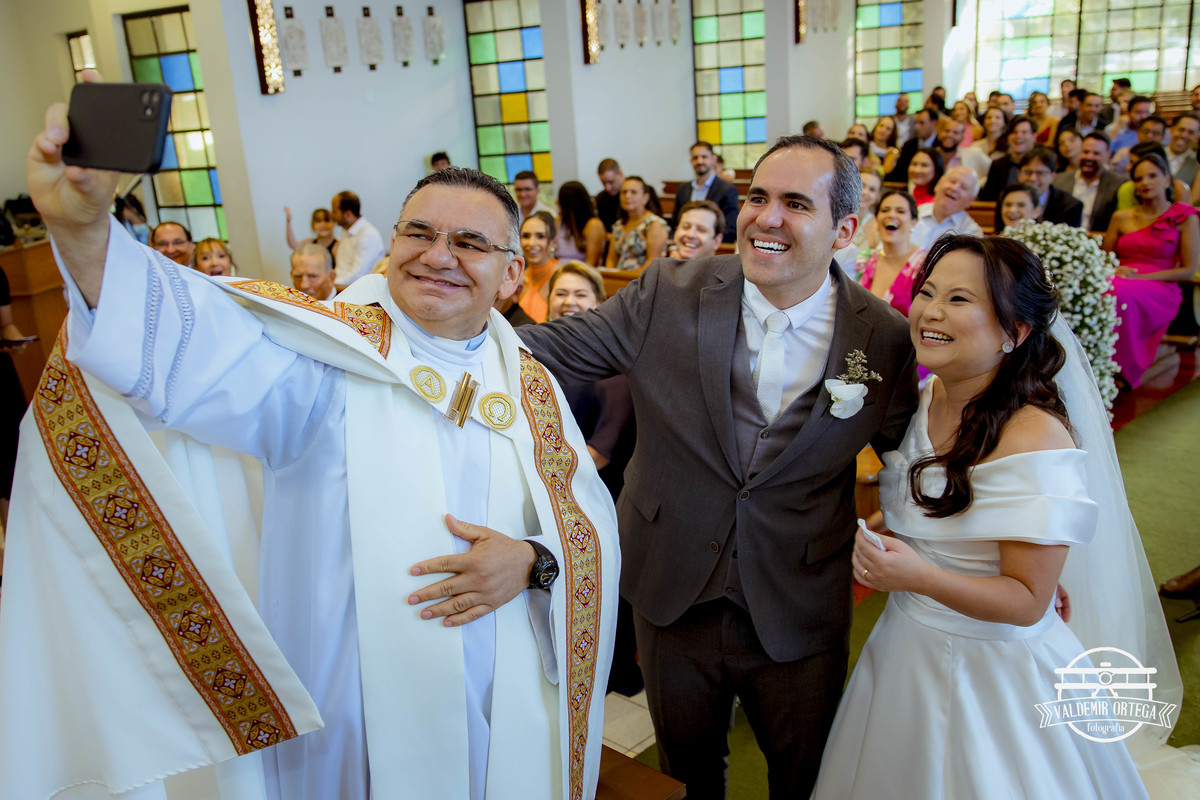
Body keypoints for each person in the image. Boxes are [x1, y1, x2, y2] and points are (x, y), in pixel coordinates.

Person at [7, 92, 620, 800]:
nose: (438, 256)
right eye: (419, 233)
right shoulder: (320, 355)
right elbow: (187, 343)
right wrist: (82, 229)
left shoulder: (529, 386)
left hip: (497, 712)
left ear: (511, 273)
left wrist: (534, 561)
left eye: (470, 243)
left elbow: (590, 526)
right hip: (350, 725)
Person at [518, 134, 919, 800]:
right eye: (758, 197)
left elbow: (921, 455)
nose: (767, 217)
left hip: (799, 598)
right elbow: (541, 350)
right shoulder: (668, 292)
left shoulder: (882, 335)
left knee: (805, 777)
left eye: (796, 204)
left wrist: (989, 554)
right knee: (687, 777)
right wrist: (420, 322)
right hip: (672, 588)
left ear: (845, 230)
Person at [812, 234, 1163, 800]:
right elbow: (940, 514)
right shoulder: (932, 395)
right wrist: (880, 531)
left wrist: (917, 576)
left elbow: (1027, 602)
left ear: (1014, 332)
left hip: (995, 668)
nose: (930, 311)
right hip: (906, 647)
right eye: (928, 292)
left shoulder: (1035, 436)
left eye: (959, 299)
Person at [542, 263, 641, 695]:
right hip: (550, 486)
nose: (569, 302)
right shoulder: (537, 355)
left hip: (595, 494)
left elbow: (599, 452)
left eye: (580, 294)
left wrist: (532, 470)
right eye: (561, 293)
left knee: (596, 593)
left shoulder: (612, 366)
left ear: (599, 304)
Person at [1102, 151, 1200, 387]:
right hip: (1120, 276)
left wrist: (1141, 276)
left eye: (1152, 176)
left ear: (1166, 179)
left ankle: (1119, 369)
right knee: (1101, 291)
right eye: (1139, 178)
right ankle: (1091, 365)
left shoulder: (1184, 216)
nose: (1145, 183)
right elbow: (1104, 259)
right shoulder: (1121, 217)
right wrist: (1115, 272)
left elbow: (1188, 270)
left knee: (1120, 294)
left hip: (1161, 285)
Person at [855, 189, 925, 316]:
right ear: (876, 219)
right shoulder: (864, 259)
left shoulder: (925, 264)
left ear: (914, 221)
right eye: (885, 210)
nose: (891, 215)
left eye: (900, 211)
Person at [1053, 132, 1126, 233]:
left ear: (1108, 156)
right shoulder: (1059, 181)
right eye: (1086, 152)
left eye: (1096, 154)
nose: (1089, 157)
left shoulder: (1118, 184)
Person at [996, 146, 1082, 231]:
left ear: (1052, 176)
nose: (1033, 178)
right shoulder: (1007, 199)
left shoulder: (1069, 206)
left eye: (1040, 173)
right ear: (1018, 174)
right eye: (1028, 172)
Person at [671, 141, 740, 242]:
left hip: (713, 246)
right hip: (685, 243)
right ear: (691, 161)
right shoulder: (683, 189)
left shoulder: (727, 190)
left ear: (714, 159)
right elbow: (675, 223)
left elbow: (730, 229)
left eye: (704, 157)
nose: (700, 161)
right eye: (695, 158)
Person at [606, 176, 667, 272]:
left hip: (642, 278)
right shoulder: (619, 225)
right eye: (624, 192)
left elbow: (653, 263)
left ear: (645, 197)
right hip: (618, 277)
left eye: (633, 192)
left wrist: (630, 279)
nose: (627, 196)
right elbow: (611, 260)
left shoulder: (654, 224)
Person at [912, 166, 983, 247]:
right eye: (952, 181)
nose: (954, 188)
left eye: (964, 187)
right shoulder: (914, 213)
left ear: (971, 200)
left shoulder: (972, 233)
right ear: (938, 184)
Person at [330, 189, 386, 286]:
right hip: (339, 285)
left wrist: (330, 283)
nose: (331, 215)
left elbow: (358, 275)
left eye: (334, 211)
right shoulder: (346, 229)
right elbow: (342, 268)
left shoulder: (368, 235)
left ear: (348, 214)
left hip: (356, 289)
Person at [980, 115, 1037, 201]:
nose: (1018, 136)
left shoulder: (1041, 164)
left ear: (1034, 136)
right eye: (1014, 132)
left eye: (1024, 132)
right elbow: (988, 199)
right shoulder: (997, 165)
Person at [516, 210, 560, 322]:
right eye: (526, 236)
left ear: (553, 241)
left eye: (540, 236)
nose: (531, 243)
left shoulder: (561, 279)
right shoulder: (517, 278)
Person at [555, 181, 606, 265]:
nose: (556, 203)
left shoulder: (593, 225)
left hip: (579, 271)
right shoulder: (558, 222)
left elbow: (591, 264)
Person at [887, 107, 938, 182]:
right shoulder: (909, 145)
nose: (917, 127)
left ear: (934, 123)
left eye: (921, 123)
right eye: (916, 123)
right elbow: (899, 173)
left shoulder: (942, 144)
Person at [964, 107, 1009, 180]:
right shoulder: (975, 145)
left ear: (1004, 122)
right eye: (989, 117)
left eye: (997, 117)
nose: (992, 121)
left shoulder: (1009, 146)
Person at [1166, 111, 1200, 192]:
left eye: (1191, 133)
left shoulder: (1197, 167)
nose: (1184, 135)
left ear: (1197, 137)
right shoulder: (1155, 155)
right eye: (1181, 130)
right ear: (1172, 130)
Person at [595, 158, 625, 232]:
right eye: (603, 183)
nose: (607, 188)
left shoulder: (640, 193)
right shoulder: (601, 198)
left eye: (611, 182)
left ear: (620, 174)